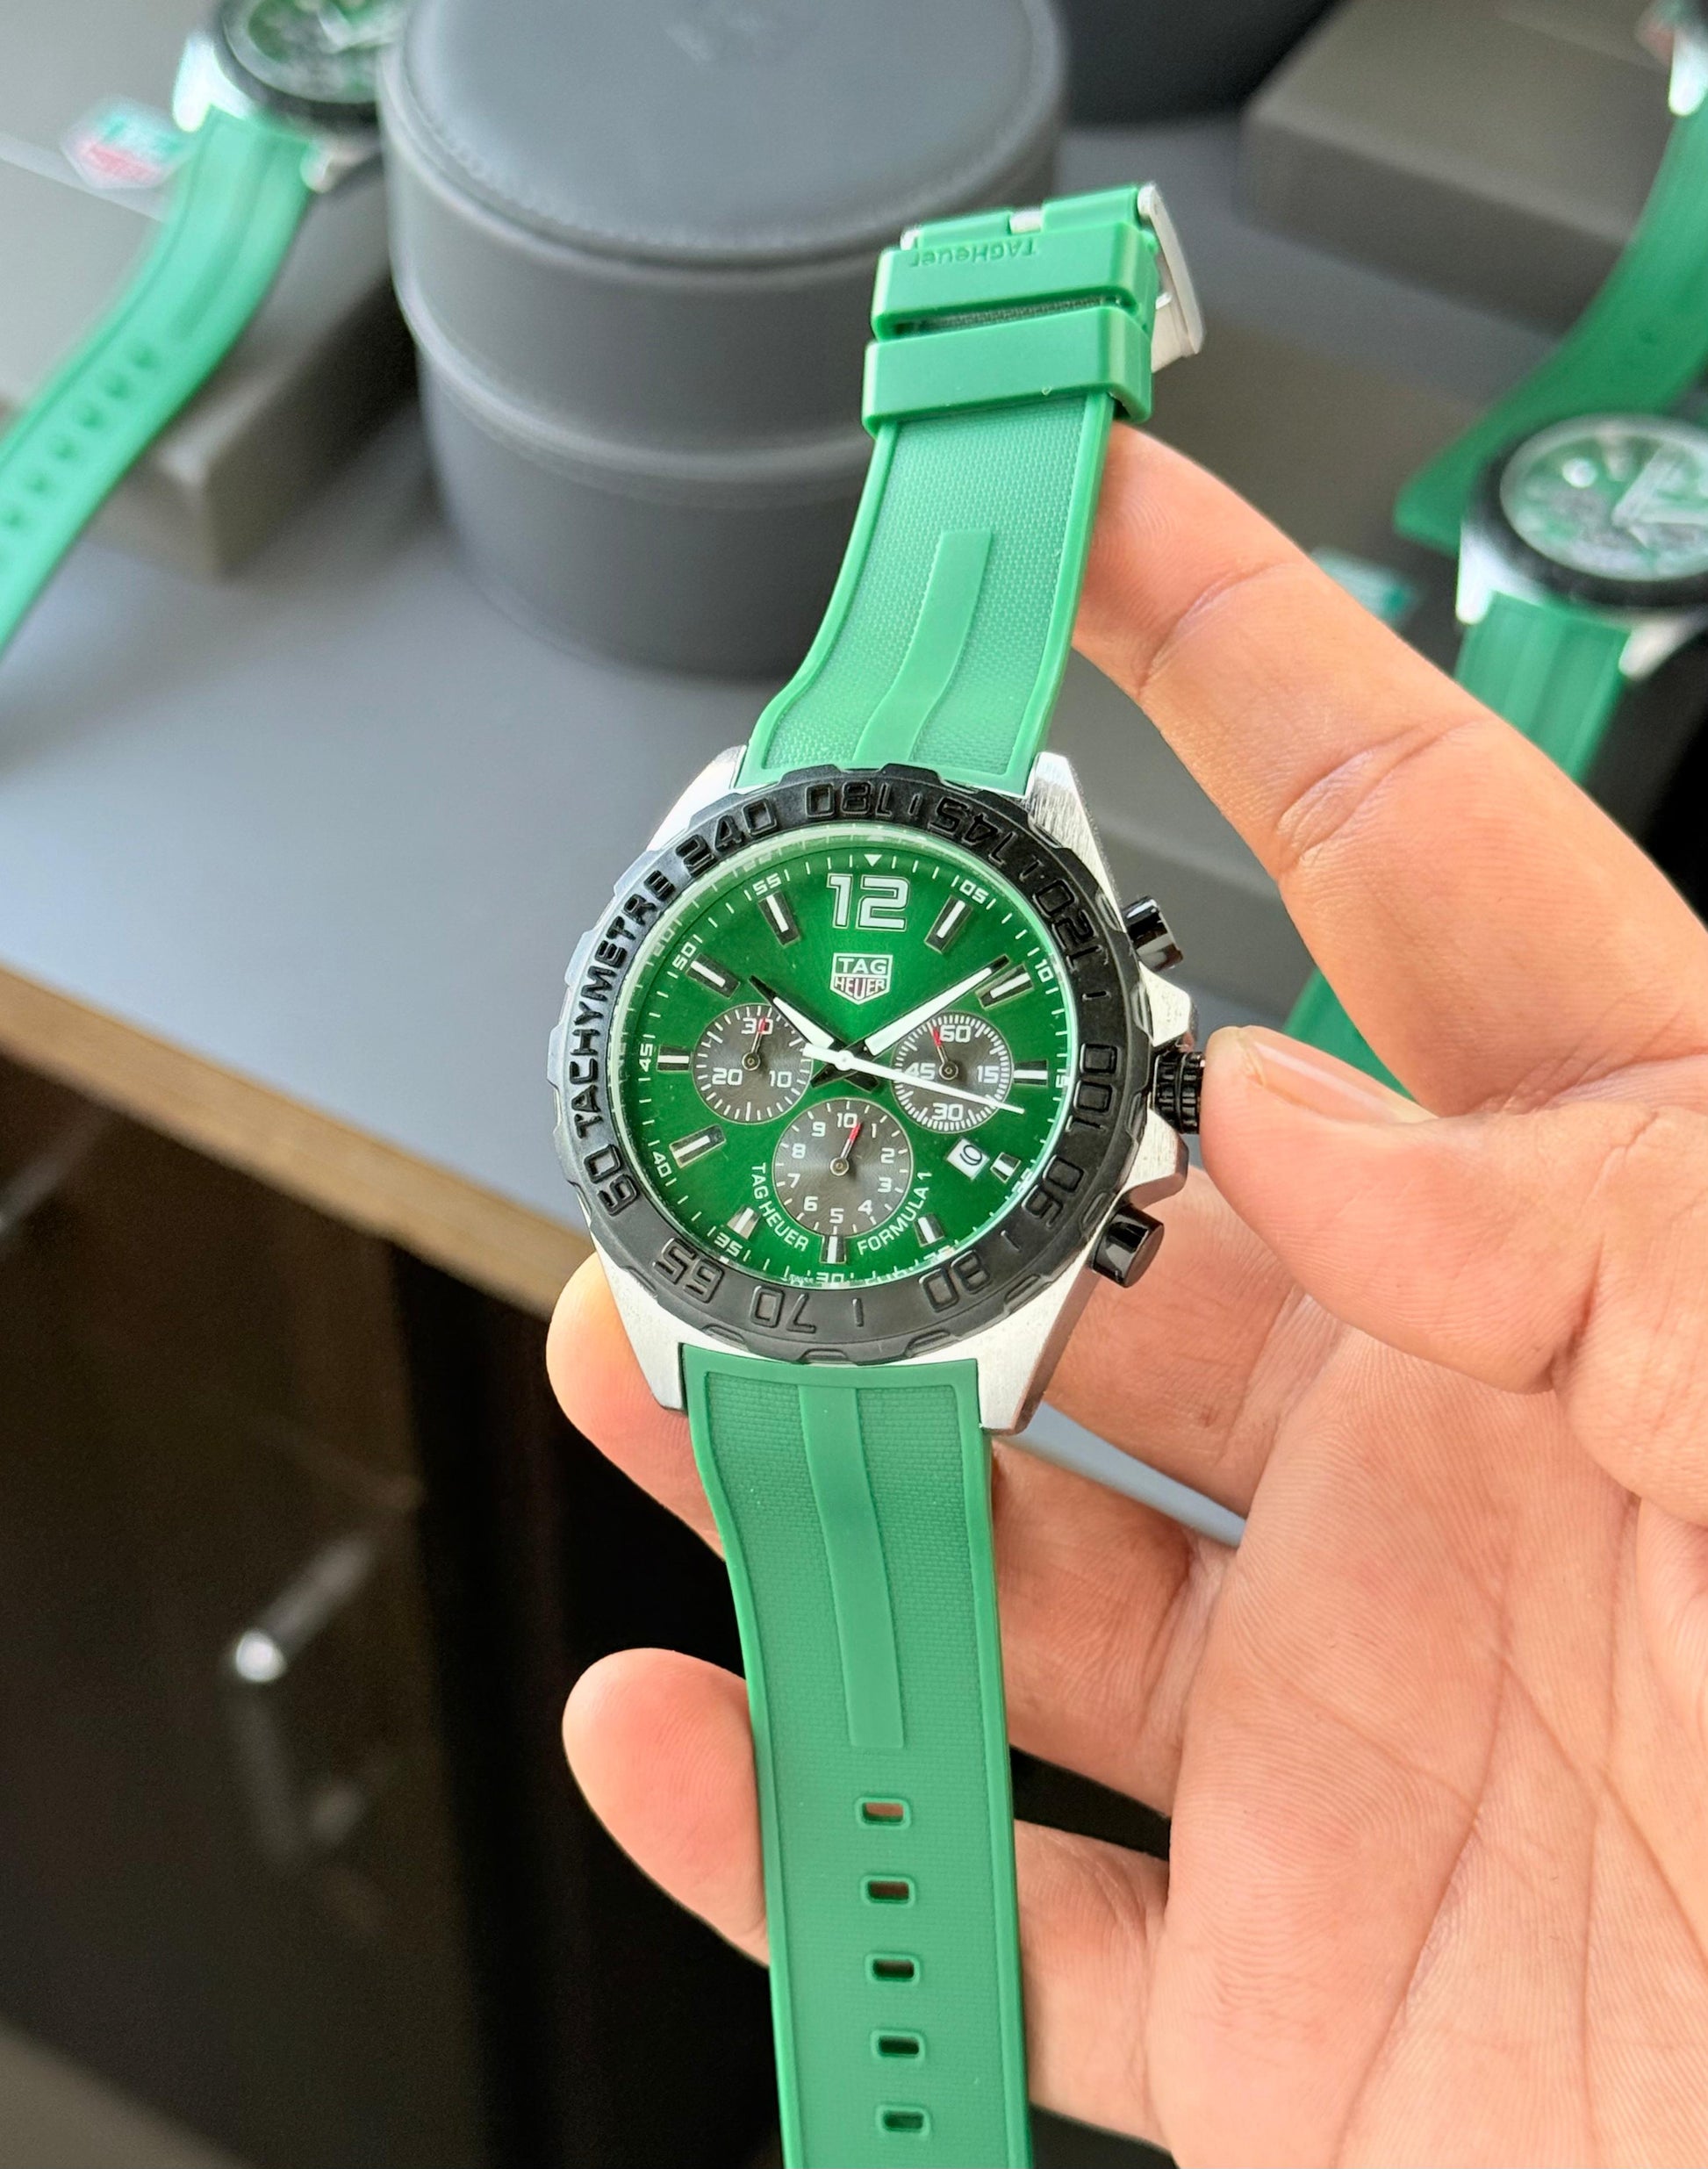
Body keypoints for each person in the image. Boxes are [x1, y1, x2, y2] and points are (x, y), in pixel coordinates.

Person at [547, 428, 1708, 2164]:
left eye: (886, 1059)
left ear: (1138, 1058)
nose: (839, 1064)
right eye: (803, 1048)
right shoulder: (712, 934)